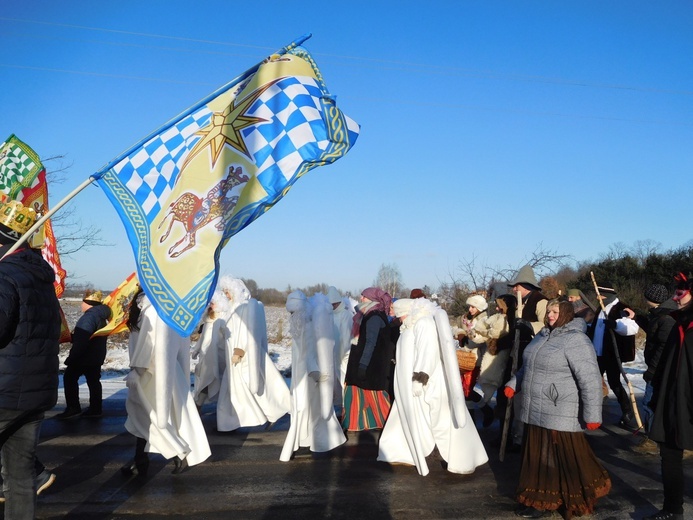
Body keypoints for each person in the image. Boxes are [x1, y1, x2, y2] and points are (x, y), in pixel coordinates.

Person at [504, 299, 610, 519]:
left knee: (564, 457)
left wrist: (592, 415)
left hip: (560, 410)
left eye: (556, 311)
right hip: (535, 409)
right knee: (538, 457)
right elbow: (528, 366)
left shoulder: (576, 341)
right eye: (549, 311)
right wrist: (514, 384)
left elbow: (589, 379)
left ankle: (568, 497)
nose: (550, 315)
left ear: (567, 315)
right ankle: (539, 500)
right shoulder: (542, 336)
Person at [377, 298, 488, 476]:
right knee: (410, 417)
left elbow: (427, 352)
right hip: (411, 384)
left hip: (427, 383)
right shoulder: (411, 325)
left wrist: (420, 379)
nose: (397, 318)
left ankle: (458, 455)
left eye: (398, 314)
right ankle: (404, 451)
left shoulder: (423, 323)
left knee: (441, 419)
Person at [0, 200, 61, 519]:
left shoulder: (4, 275)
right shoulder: (41, 279)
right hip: (36, 394)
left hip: (4, 392)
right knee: (21, 479)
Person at [121, 287, 211, 476]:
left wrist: (137, 371)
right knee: (143, 419)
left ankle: (177, 452)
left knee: (147, 417)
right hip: (162, 371)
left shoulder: (152, 311)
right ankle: (140, 461)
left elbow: (148, 345)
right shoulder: (167, 310)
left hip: (150, 373)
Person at [645, 272, 693, 520]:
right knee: (669, 454)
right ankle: (673, 509)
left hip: (689, 401)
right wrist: (656, 396)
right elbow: (667, 361)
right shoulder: (678, 323)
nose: (674, 297)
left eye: (680, 293)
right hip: (671, 399)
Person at [216, 276, 290, 432]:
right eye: (224, 292)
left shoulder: (242, 309)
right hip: (234, 357)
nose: (226, 295)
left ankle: (239, 419)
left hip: (242, 356)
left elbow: (245, 331)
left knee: (248, 388)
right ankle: (229, 422)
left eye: (228, 291)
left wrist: (239, 351)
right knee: (235, 390)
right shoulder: (230, 310)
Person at [280, 291, 346, 461]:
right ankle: (308, 438)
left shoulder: (307, 325)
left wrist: (314, 370)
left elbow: (311, 349)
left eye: (293, 312)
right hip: (303, 373)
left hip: (309, 374)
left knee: (309, 407)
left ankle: (320, 440)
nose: (291, 316)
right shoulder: (300, 324)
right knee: (305, 407)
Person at [586, 280, 640, 431]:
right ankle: (591, 414)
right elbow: (597, 328)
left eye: (600, 296)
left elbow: (632, 327)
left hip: (612, 354)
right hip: (598, 353)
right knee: (593, 383)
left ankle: (627, 411)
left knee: (614, 382)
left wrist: (616, 325)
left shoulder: (622, 308)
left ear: (607, 295)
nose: (598, 298)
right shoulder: (601, 308)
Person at [631, 284, 676, 455]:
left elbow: (662, 347)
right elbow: (653, 331)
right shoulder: (660, 315)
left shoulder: (667, 318)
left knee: (650, 402)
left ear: (652, 299)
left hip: (661, 370)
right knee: (654, 402)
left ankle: (652, 439)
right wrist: (637, 318)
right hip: (659, 369)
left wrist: (652, 370)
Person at [342, 287, 395, 432]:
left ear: (372, 299)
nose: (361, 299)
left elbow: (370, 342)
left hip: (370, 364)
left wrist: (362, 365)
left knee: (371, 393)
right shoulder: (368, 315)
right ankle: (358, 422)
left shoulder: (374, 317)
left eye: (364, 296)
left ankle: (384, 423)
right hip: (366, 362)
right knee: (361, 392)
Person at [56, 290, 112, 419]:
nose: (81, 305)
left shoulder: (89, 317)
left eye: (83, 302)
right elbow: (89, 337)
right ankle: (96, 408)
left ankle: (73, 408)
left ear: (88, 303)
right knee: (93, 381)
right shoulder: (100, 316)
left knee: (69, 379)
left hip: (83, 357)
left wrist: (71, 358)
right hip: (96, 356)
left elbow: (82, 340)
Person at [470, 294, 513, 428]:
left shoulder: (508, 320)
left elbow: (496, 334)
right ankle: (488, 413)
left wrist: (486, 335)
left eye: (498, 305)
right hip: (490, 357)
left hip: (501, 360)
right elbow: (483, 334)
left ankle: (491, 415)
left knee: (502, 396)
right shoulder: (495, 318)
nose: (496, 308)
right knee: (497, 395)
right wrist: (475, 334)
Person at [191, 290, 229, 408]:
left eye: (214, 303)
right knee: (203, 381)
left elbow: (224, 338)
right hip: (205, 355)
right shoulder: (208, 318)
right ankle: (198, 405)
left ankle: (198, 406)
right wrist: (197, 349)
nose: (211, 305)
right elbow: (204, 338)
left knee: (209, 381)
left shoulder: (223, 319)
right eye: (211, 302)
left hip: (216, 356)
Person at [326, 286, 354, 413]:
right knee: (335, 381)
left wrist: (343, 354)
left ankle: (347, 407)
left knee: (344, 379)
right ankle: (339, 405)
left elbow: (346, 336)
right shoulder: (331, 315)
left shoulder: (345, 315)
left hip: (344, 354)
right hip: (334, 352)